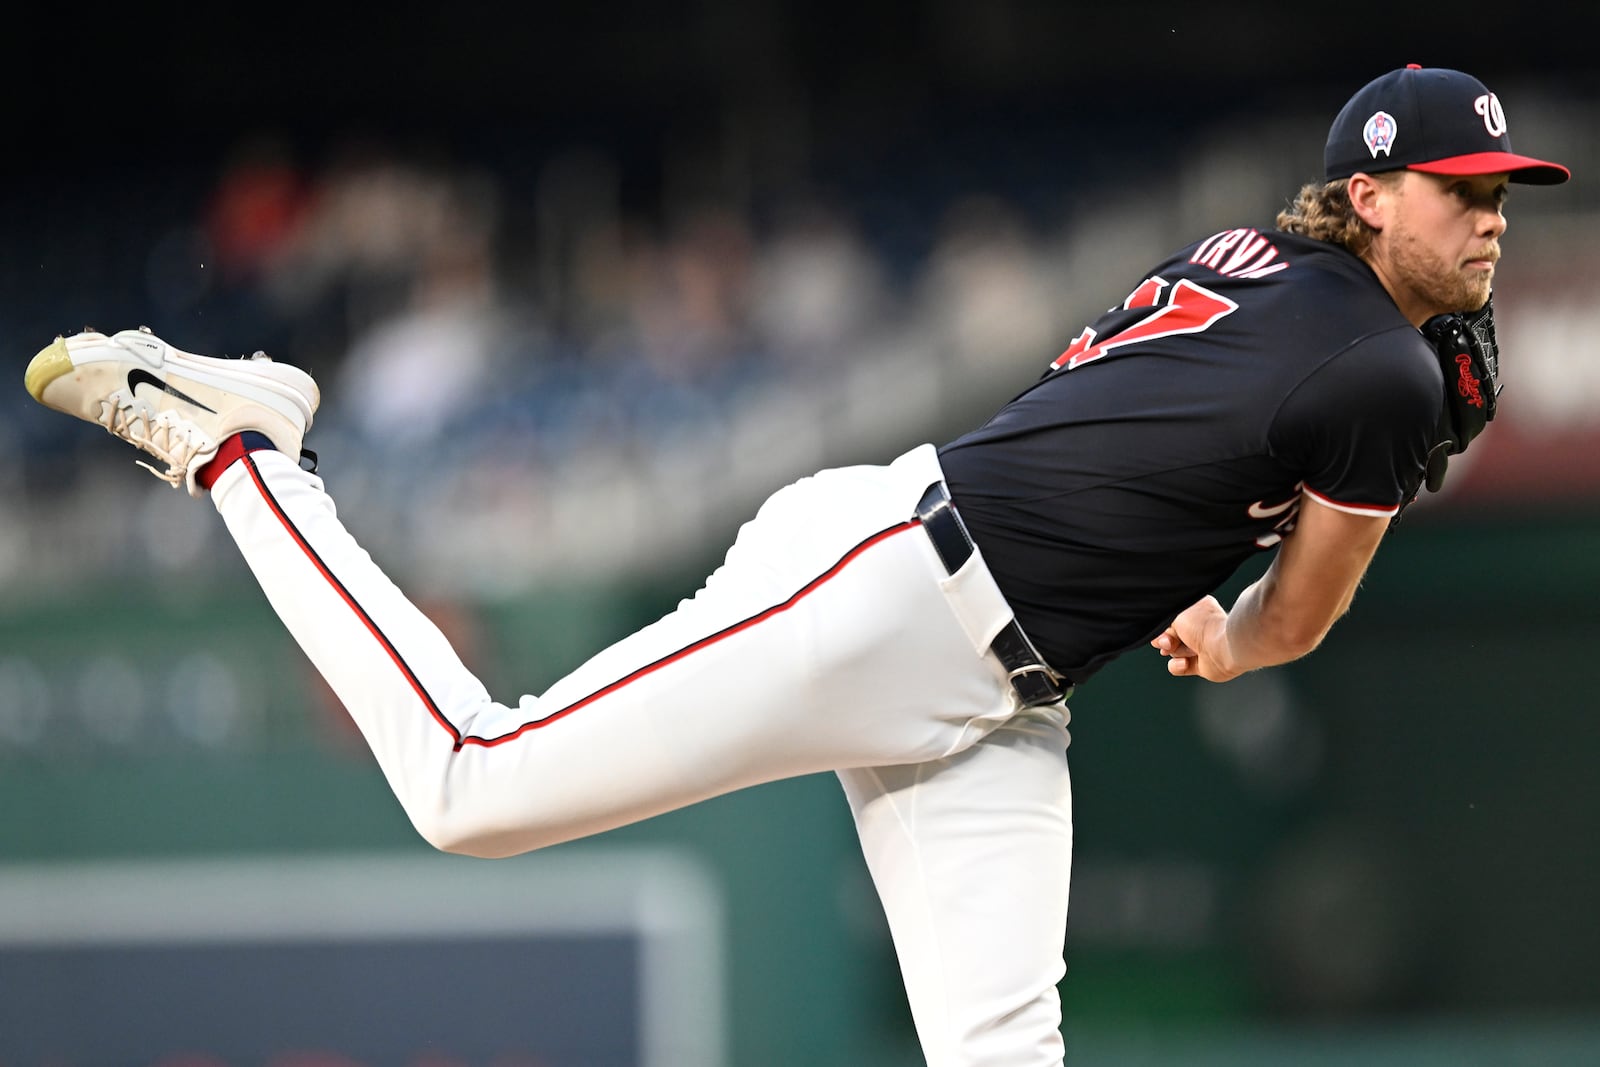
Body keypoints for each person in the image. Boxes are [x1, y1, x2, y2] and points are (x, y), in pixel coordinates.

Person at [23, 65, 1569, 1066]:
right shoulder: (1378, 374)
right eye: (1460, 190)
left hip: (997, 686)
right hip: (888, 598)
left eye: (1502, 193)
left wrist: (1166, 543)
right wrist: (1229, 634)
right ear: (1369, 193)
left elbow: (1131, 427)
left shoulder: (1260, 256)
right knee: (469, 788)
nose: (1491, 218)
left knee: (1000, 1061)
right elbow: (1293, 619)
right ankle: (242, 447)